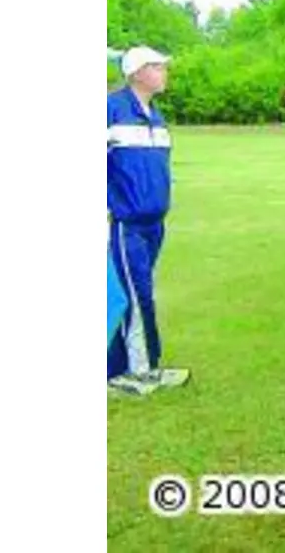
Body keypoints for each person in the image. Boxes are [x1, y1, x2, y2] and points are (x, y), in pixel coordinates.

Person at [108, 45, 191, 395]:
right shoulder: (111, 110)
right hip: (125, 222)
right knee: (136, 293)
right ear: (138, 72)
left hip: (154, 222)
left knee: (140, 292)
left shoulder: (155, 116)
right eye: (157, 67)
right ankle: (140, 370)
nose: (164, 73)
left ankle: (126, 366)